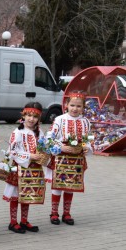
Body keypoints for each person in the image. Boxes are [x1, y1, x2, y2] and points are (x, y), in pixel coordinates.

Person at [47, 90, 91, 225]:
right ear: (66, 105)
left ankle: (67, 213)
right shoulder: (60, 119)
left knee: (70, 185)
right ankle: (54, 213)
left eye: (78, 106)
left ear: (83, 107)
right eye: (72, 105)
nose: (75, 109)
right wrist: (60, 147)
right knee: (57, 185)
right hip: (61, 157)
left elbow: (87, 139)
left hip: (76, 158)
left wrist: (85, 147)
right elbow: (49, 138)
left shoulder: (86, 122)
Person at [3, 102, 47, 233]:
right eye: (29, 115)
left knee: (27, 194)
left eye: (35, 116)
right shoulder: (18, 132)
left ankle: (24, 220)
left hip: (34, 168)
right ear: (24, 115)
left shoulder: (40, 132)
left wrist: (44, 153)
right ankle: (12, 222)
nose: (31, 119)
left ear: (39, 118)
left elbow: (43, 148)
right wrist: (29, 156)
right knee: (16, 195)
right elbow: (11, 151)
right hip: (20, 167)